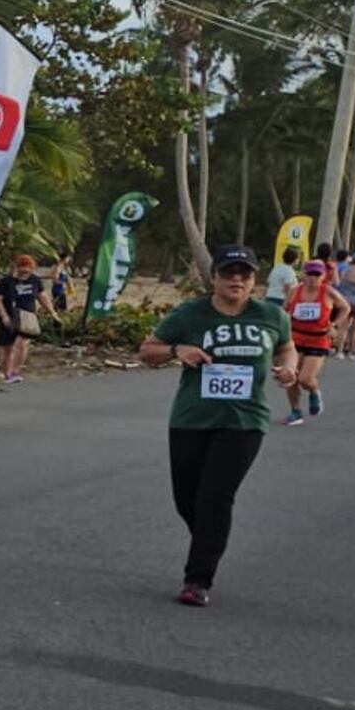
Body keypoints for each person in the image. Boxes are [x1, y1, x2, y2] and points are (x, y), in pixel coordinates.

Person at [137, 245, 299, 606]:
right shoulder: (190, 314)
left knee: (216, 496)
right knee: (187, 499)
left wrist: (288, 368)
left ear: (254, 279)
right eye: (229, 273)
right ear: (214, 278)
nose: (237, 280)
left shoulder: (271, 316)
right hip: (192, 418)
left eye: (245, 273)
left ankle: (198, 579)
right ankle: (210, 539)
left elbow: (286, 348)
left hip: (245, 420)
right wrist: (178, 350)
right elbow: (148, 351)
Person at [281, 258, 344, 425]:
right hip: (296, 338)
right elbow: (283, 310)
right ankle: (295, 411)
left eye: (317, 274)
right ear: (304, 274)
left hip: (318, 339)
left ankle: (314, 391)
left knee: (305, 379)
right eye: (310, 274)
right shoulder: (295, 292)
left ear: (323, 276)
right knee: (290, 377)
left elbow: (346, 307)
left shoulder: (328, 292)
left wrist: (334, 324)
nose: (313, 278)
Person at [0, 255, 47, 384]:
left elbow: (42, 297)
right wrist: (4, 316)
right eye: (22, 268)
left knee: (22, 344)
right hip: (9, 315)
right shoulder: (5, 282)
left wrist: (52, 312)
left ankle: (16, 370)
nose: (25, 271)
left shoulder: (35, 281)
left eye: (28, 268)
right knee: (7, 348)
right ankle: (7, 374)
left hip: (27, 318)